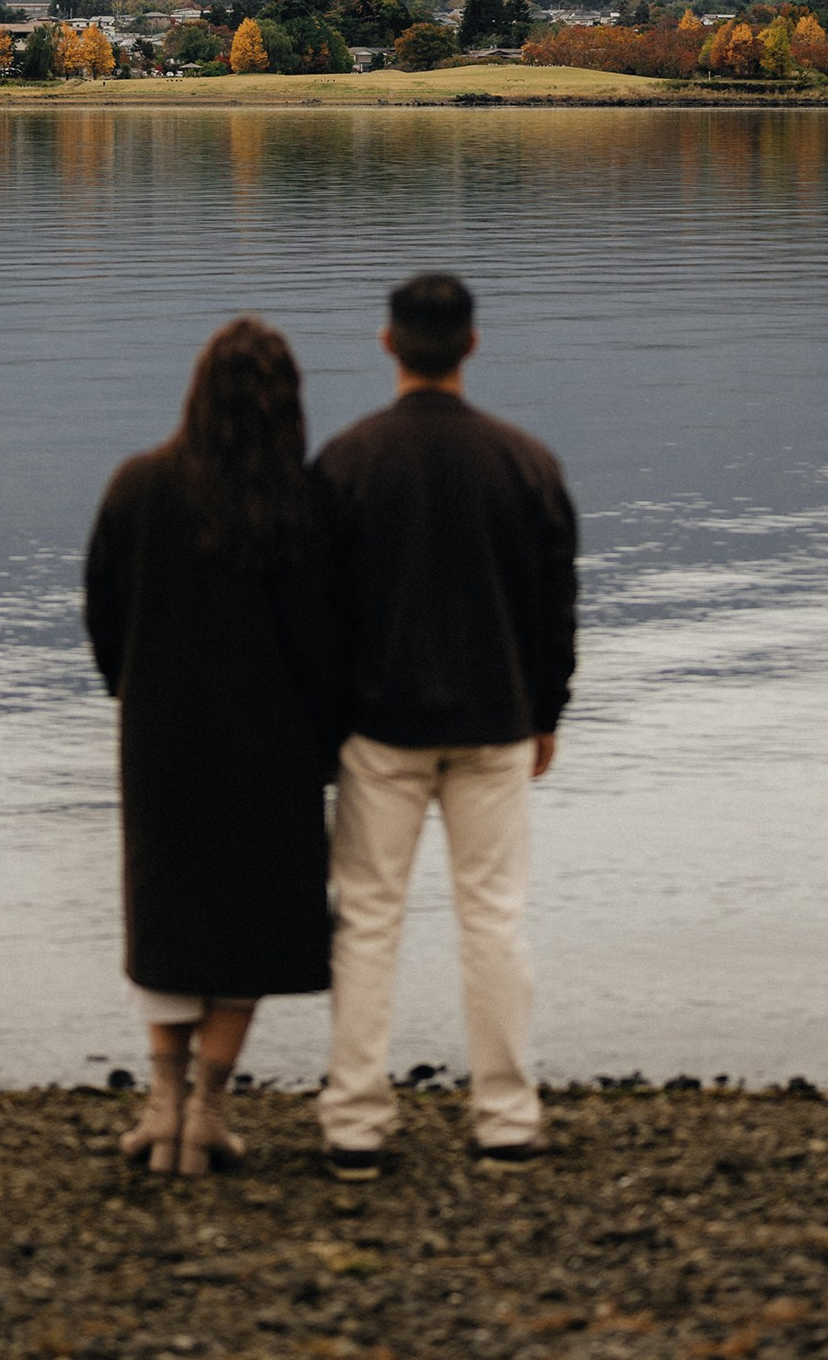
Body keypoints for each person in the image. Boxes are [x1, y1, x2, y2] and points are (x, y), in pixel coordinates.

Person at [312, 272, 577, 1178]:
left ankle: (354, 1123)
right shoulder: (525, 462)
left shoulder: (345, 462)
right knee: (494, 921)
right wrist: (548, 713)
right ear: (472, 344)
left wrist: (324, 726)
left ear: (388, 344)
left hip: (379, 730)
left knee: (367, 923)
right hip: (498, 723)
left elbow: (320, 614)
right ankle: (506, 1117)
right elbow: (556, 608)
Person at [84, 316, 344, 1174]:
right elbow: (322, 638)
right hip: (272, 749)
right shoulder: (302, 505)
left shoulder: (136, 487)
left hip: (161, 738)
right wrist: (326, 735)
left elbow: (104, 619)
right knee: (250, 921)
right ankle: (206, 1113)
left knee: (167, 911)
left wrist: (137, 692)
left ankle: (159, 1107)